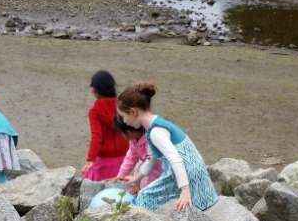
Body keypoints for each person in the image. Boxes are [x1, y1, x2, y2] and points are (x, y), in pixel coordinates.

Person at [117, 82, 217, 212]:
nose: (125, 122)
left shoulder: (155, 131)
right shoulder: (153, 126)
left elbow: (176, 160)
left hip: (186, 174)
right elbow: (152, 157)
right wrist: (137, 178)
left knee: (145, 197)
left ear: (133, 112)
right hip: (184, 171)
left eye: (124, 117)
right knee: (147, 194)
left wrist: (185, 191)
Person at [82, 71, 128, 181]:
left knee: (96, 182)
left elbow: (97, 136)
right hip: (123, 153)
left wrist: (90, 159)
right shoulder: (123, 106)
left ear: (94, 90)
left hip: (104, 157)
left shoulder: (95, 111)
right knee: (118, 181)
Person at [113, 115, 163, 195]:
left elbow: (155, 168)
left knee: (150, 189)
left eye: (121, 133)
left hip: (161, 167)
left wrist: (143, 190)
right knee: (139, 167)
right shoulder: (134, 138)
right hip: (148, 162)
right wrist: (121, 175)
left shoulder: (150, 139)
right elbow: (131, 156)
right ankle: (139, 187)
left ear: (128, 132)